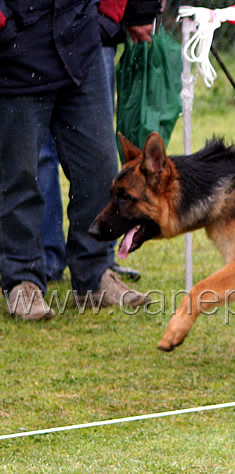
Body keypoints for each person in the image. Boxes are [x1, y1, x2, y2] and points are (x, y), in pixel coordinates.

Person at [0, 0, 149, 320]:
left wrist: (108, 18)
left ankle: (95, 275)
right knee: (20, 174)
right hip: (14, 50)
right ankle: (22, 281)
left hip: (81, 44)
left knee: (99, 169)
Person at [37, 0, 161, 283]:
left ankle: (99, 264)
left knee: (95, 154)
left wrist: (131, 13)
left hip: (90, 27)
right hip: (27, 32)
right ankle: (43, 261)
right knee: (36, 154)